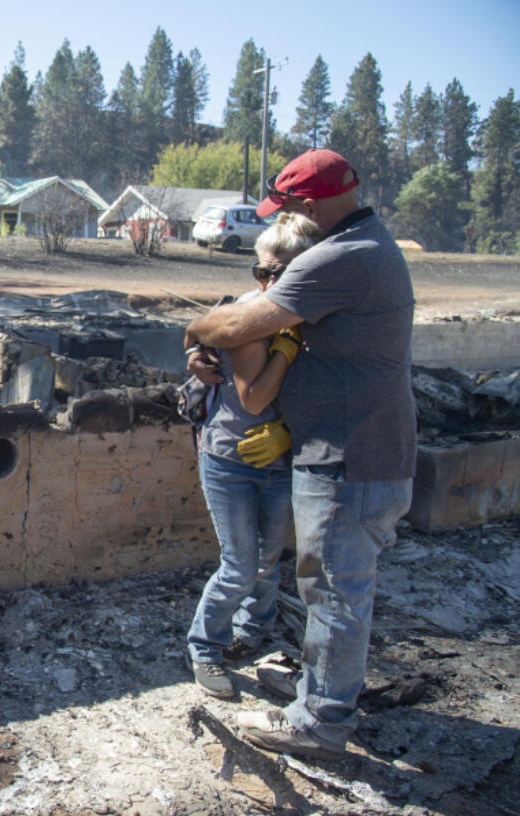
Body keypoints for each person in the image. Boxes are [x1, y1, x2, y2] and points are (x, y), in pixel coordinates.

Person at [184, 149, 416, 760]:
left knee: (335, 592)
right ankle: (321, 691)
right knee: (326, 587)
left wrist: (198, 331)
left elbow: (234, 330)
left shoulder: (341, 256)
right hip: (353, 451)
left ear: (308, 207)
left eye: (286, 210)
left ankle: (319, 723)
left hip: (349, 460)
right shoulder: (366, 245)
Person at [184, 213, 324, 700]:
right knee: (240, 564)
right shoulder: (252, 315)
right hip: (229, 458)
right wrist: (285, 345)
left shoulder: (321, 319)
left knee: (268, 559)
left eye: (279, 274)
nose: (267, 284)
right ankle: (204, 646)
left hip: (282, 461)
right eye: (261, 273)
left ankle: (255, 630)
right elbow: (253, 399)